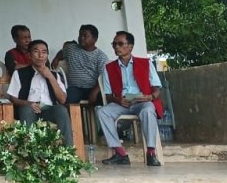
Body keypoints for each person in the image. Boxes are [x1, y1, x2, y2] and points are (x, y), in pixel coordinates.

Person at [98, 31, 163, 167]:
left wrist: (150, 97)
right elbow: (108, 95)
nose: (117, 47)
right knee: (102, 112)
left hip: (142, 101)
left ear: (130, 46)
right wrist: (118, 100)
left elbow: (157, 88)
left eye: (120, 44)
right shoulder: (108, 68)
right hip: (122, 103)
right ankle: (120, 153)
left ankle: (151, 153)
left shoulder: (145, 63)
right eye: (114, 44)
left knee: (148, 110)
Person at [7, 39, 73, 146]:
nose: (40, 55)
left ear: (47, 55)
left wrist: (50, 76)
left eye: (44, 52)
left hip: (49, 110)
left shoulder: (55, 75)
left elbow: (62, 99)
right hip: (29, 109)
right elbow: (12, 97)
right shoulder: (19, 73)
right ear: (29, 55)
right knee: (26, 110)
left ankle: (68, 152)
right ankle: (30, 152)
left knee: (61, 110)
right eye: (36, 51)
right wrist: (28, 103)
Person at [51, 24, 109, 104]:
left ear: (94, 39)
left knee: (103, 99)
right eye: (80, 35)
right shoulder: (70, 48)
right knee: (66, 99)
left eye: (85, 35)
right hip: (74, 88)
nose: (81, 38)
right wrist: (56, 59)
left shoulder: (101, 56)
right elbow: (62, 52)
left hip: (92, 88)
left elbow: (103, 77)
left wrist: (94, 92)